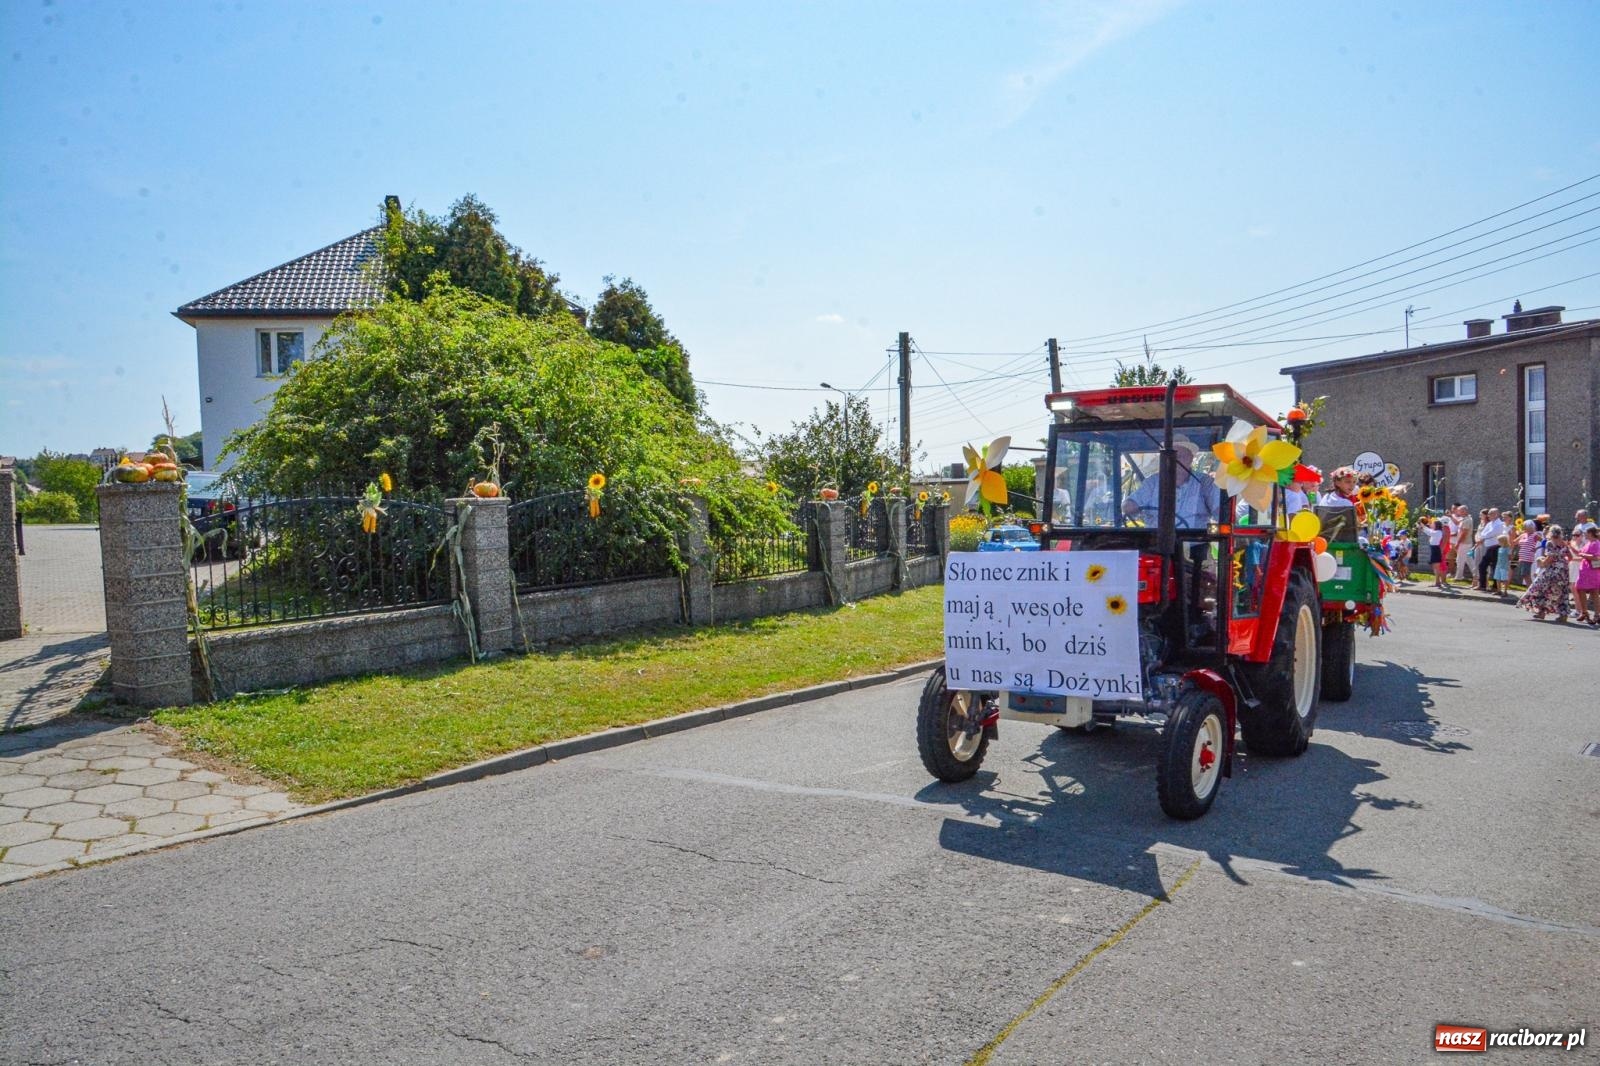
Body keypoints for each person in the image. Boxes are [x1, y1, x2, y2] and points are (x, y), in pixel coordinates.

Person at [1121, 440, 1217, 529]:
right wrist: (1129, 506)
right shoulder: (1152, 482)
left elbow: (1219, 510)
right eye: (1172, 457)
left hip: (1195, 543)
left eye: (1180, 456)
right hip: (1155, 542)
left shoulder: (1205, 482)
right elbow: (1130, 504)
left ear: (1190, 458)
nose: (1175, 461)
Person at [1519, 525, 1574, 622]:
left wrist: (1543, 564)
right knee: (1562, 592)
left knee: (1540, 589)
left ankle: (1541, 612)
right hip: (1563, 571)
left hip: (1552, 570)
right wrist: (1562, 562)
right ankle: (1563, 614)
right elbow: (1570, 557)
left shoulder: (1550, 543)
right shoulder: (1564, 543)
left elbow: (1550, 557)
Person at [1572, 527, 1600, 626]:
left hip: (1592, 571)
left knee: (1594, 592)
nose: (1584, 535)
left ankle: (1596, 614)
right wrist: (1570, 547)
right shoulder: (1588, 543)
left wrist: (1583, 555)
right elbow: (1580, 553)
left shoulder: (1596, 543)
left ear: (1591, 533)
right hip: (1585, 571)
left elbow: (1596, 557)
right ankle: (1585, 612)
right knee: (1580, 589)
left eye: (1586, 533)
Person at [1475, 507, 1507, 592]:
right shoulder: (1489, 524)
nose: (1488, 516)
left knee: (1495, 567)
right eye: (1488, 514)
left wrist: (1483, 537)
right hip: (1489, 547)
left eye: (1490, 514)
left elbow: (1491, 533)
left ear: (1496, 514)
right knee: (1482, 565)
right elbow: (1483, 533)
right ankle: (1483, 585)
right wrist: (1482, 537)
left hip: (1496, 547)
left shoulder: (1499, 524)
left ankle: (1496, 586)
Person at [1451, 505, 1476, 584]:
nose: (1459, 512)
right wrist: (1451, 516)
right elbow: (1457, 522)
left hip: (1464, 543)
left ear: (1464, 511)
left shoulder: (1467, 520)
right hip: (1465, 543)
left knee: (1463, 560)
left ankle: (1460, 576)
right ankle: (1474, 575)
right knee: (1465, 560)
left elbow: (1464, 533)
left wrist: (1458, 543)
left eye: (1460, 511)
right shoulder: (1464, 519)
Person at [1515, 519, 1541, 587]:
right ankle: (1531, 590)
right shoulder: (1523, 535)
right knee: (1524, 574)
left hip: (1528, 557)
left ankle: (1531, 590)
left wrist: (1537, 548)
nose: (1526, 528)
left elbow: (1544, 541)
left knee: (1525, 574)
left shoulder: (1535, 535)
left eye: (1527, 527)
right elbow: (1514, 542)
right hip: (1522, 557)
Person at [1424, 517, 1447, 589]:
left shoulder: (1438, 532)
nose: (1431, 524)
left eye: (1433, 524)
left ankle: (1438, 582)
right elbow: (1429, 531)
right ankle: (1437, 582)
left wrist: (1422, 525)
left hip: (1435, 549)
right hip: (1434, 549)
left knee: (1436, 567)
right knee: (1435, 566)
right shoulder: (1436, 532)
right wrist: (1423, 526)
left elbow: (1429, 532)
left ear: (1436, 525)